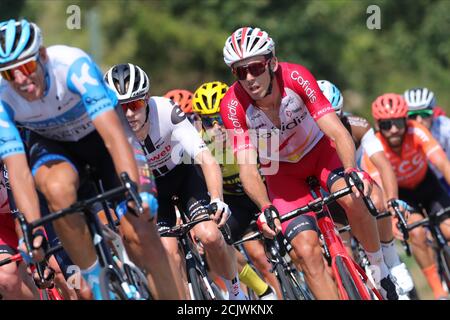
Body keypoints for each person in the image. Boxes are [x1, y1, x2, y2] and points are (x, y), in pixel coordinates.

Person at [0, 19, 181, 300]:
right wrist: (31, 228)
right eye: (10, 74)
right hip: (55, 149)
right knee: (56, 189)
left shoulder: (73, 66)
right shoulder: (4, 98)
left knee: (143, 238)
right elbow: (18, 170)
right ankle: (96, 282)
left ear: (43, 56)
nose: (21, 80)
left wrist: (135, 189)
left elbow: (113, 136)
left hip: (103, 140)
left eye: (26, 67)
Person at [219, 26, 398, 299]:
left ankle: (379, 269)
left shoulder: (295, 77)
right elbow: (247, 167)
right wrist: (265, 206)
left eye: (255, 67)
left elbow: (337, 132)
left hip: (320, 155)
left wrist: (350, 169)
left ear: (272, 62)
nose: (250, 78)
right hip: (283, 176)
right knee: (305, 252)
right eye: (240, 71)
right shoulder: (232, 106)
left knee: (352, 195)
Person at [104, 63, 247, 300]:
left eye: (135, 104)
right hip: (151, 189)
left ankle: (236, 293)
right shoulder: (111, 127)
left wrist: (217, 199)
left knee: (210, 235)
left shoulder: (166, 111)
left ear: (147, 99)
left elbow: (206, 159)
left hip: (184, 177)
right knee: (168, 253)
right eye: (121, 108)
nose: (129, 114)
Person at [318, 80, 414, 298]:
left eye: (334, 116)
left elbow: (383, 164)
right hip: (326, 198)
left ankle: (391, 258)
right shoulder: (301, 136)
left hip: (354, 187)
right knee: (343, 261)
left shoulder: (358, 126)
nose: (328, 124)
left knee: (376, 198)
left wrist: (393, 200)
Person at [192, 80, 280, 300]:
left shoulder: (251, 129)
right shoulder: (200, 146)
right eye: (209, 121)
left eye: (220, 118)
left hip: (267, 192)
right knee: (217, 241)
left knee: (288, 251)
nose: (217, 128)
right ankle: (263, 291)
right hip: (236, 203)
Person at [369, 93, 450, 299]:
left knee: (448, 229)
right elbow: (380, 186)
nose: (394, 129)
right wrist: (393, 218)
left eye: (397, 122)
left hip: (427, 184)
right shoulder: (375, 144)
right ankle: (438, 291)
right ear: (378, 126)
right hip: (402, 195)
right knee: (417, 234)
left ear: (406, 120)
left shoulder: (417, 130)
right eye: (387, 125)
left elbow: (442, 164)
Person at [404, 87, 450, 193]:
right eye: (413, 115)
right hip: (419, 182)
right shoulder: (401, 133)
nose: (419, 120)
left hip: (444, 176)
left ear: (433, 113)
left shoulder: (445, 127)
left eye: (425, 114)